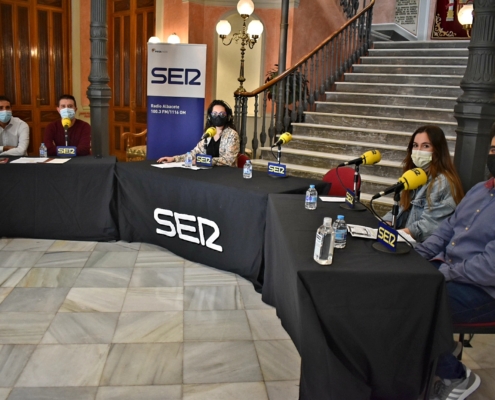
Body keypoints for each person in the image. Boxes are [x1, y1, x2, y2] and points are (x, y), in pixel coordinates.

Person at [415, 129, 495, 400]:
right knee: (400, 285)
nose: (494, 155)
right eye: (493, 149)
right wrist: (420, 255)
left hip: (483, 289)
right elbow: (446, 230)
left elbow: (489, 267)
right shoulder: (478, 191)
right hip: (450, 272)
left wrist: (444, 273)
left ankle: (456, 375)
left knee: (421, 302)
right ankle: (440, 351)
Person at [383, 125, 464, 242]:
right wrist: (384, 224)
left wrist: (392, 235)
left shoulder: (443, 182)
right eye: (415, 146)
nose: (418, 151)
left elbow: (427, 228)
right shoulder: (413, 175)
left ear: (437, 150)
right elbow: (399, 209)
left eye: (426, 146)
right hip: (402, 238)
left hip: (420, 248)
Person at [157, 99, 240, 167]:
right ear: (209, 117)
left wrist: (203, 160)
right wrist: (174, 159)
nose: (218, 116)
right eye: (214, 114)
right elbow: (194, 153)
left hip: (225, 176)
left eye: (222, 114)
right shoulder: (209, 133)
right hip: (208, 173)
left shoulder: (232, 135)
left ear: (228, 117)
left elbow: (228, 160)